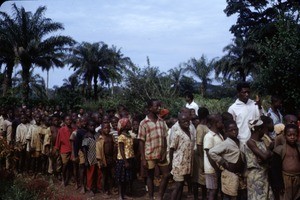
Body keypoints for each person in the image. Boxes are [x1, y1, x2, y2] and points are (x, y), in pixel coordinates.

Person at [138, 99, 169, 200]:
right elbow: (141, 141)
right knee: (150, 177)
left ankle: (160, 196)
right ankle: (151, 197)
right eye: (157, 106)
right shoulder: (144, 123)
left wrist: (164, 152)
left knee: (166, 175)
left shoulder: (161, 121)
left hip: (161, 154)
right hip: (149, 154)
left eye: (159, 106)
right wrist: (143, 158)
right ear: (150, 108)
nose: (159, 108)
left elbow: (164, 137)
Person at [209, 120, 246, 200]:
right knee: (228, 195)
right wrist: (222, 161)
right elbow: (212, 152)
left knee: (241, 194)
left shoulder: (241, 143)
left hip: (240, 174)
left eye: (236, 129)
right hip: (229, 174)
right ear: (226, 132)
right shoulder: (226, 143)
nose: (234, 132)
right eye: (231, 130)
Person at [245, 119, 274, 200]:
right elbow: (264, 156)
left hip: (264, 174)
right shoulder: (250, 142)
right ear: (259, 129)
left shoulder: (262, 141)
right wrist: (269, 149)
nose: (265, 132)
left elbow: (268, 156)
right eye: (264, 129)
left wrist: (267, 155)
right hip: (256, 175)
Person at [169, 113, 195, 200]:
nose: (186, 123)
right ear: (179, 122)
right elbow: (172, 149)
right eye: (184, 121)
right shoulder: (177, 134)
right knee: (178, 185)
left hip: (187, 165)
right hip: (178, 164)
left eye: (188, 121)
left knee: (181, 186)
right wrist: (171, 164)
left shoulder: (190, 132)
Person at [272, 124, 300, 200]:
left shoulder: (298, 148)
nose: (292, 137)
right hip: (285, 179)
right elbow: (275, 169)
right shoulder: (280, 150)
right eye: (289, 135)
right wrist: (279, 184)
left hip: (297, 178)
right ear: (285, 136)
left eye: (295, 135)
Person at [203, 114, 224, 200]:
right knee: (213, 191)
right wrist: (216, 168)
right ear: (215, 123)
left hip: (217, 168)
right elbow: (209, 154)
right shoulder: (209, 136)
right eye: (220, 122)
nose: (222, 123)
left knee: (216, 190)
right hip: (211, 169)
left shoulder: (219, 135)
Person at [115, 118, 135, 200]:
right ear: (124, 126)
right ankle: (120, 195)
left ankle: (124, 194)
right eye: (129, 124)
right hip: (123, 160)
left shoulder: (129, 135)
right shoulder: (121, 137)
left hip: (130, 158)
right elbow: (121, 150)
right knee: (121, 179)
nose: (130, 125)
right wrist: (125, 161)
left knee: (126, 179)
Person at [192, 107, 209, 200]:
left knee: (202, 179)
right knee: (198, 178)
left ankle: (203, 196)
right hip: (200, 156)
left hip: (202, 155)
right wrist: (202, 158)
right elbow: (199, 144)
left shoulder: (204, 126)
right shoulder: (200, 127)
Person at [82, 121, 101, 196]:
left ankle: (98, 187)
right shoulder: (86, 136)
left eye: (93, 126)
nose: (92, 127)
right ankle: (90, 188)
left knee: (98, 173)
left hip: (98, 157)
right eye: (90, 126)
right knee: (90, 174)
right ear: (88, 127)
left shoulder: (97, 135)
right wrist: (86, 160)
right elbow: (84, 149)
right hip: (90, 158)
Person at [96, 122, 115, 196]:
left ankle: (110, 189)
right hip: (104, 159)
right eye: (105, 128)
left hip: (111, 158)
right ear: (101, 129)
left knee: (111, 175)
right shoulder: (100, 138)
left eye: (108, 128)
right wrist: (100, 160)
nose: (107, 129)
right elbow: (98, 150)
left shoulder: (111, 136)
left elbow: (114, 146)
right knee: (104, 176)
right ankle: (104, 191)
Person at [54, 115, 73, 186]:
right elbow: (58, 140)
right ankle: (63, 179)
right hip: (64, 150)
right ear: (64, 121)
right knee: (65, 165)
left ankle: (68, 179)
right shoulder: (61, 130)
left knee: (69, 165)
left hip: (71, 149)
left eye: (70, 120)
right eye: (67, 120)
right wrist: (56, 149)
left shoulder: (73, 129)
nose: (69, 121)